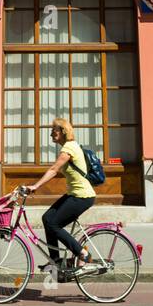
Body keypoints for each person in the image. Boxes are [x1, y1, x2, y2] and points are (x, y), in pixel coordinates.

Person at [26, 117, 95, 278]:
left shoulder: (69, 148)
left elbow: (54, 169)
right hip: (75, 194)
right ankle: (55, 262)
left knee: (54, 224)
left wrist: (35, 186)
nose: (51, 134)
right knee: (47, 218)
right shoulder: (68, 147)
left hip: (82, 196)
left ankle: (82, 254)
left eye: (53, 131)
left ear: (63, 131)